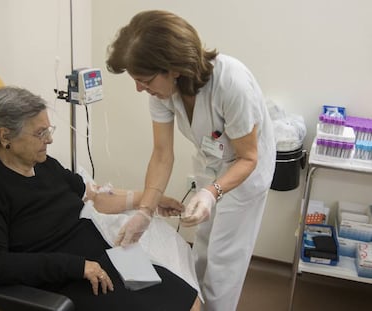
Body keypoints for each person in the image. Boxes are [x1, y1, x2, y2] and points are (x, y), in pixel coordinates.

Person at [0, 86, 201, 311]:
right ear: (5, 136)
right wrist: (75, 266)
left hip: (107, 256)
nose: (49, 140)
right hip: (65, 279)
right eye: (40, 133)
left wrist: (149, 200)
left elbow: (95, 196)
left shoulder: (45, 165)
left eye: (48, 130)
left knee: (190, 298)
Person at [106, 10, 276, 311]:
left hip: (245, 175)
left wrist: (212, 193)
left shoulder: (231, 82)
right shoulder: (162, 92)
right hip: (213, 164)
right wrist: (144, 211)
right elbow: (161, 154)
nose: (139, 88)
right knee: (201, 249)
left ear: (173, 68)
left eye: (144, 80)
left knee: (224, 261)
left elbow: (249, 157)